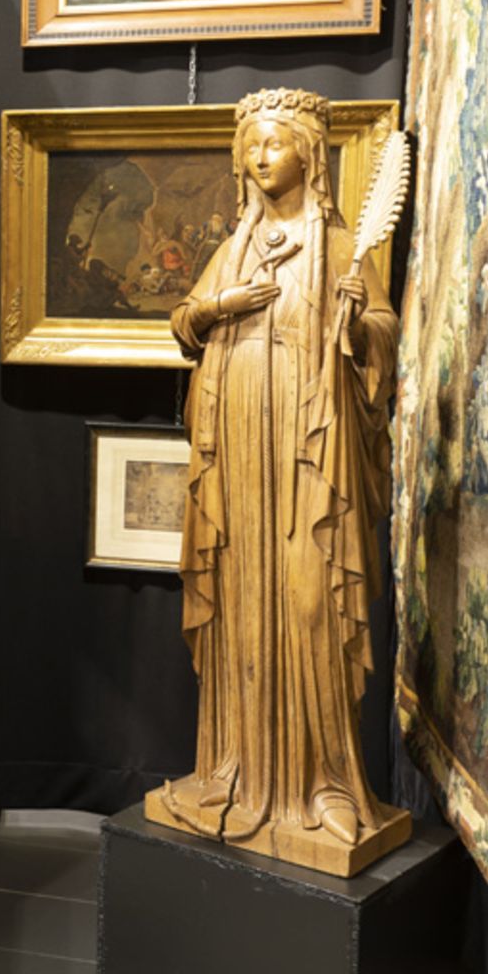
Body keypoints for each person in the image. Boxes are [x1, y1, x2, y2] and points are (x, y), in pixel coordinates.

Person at [149, 88, 409, 873]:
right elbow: (184, 322)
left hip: (305, 456)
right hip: (237, 447)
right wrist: (218, 306)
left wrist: (362, 322)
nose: (259, 157)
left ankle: (321, 782)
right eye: (250, 146)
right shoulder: (235, 244)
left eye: (274, 143)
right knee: (236, 600)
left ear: (309, 153)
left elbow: (382, 338)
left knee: (308, 603)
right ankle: (231, 766)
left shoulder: (337, 245)